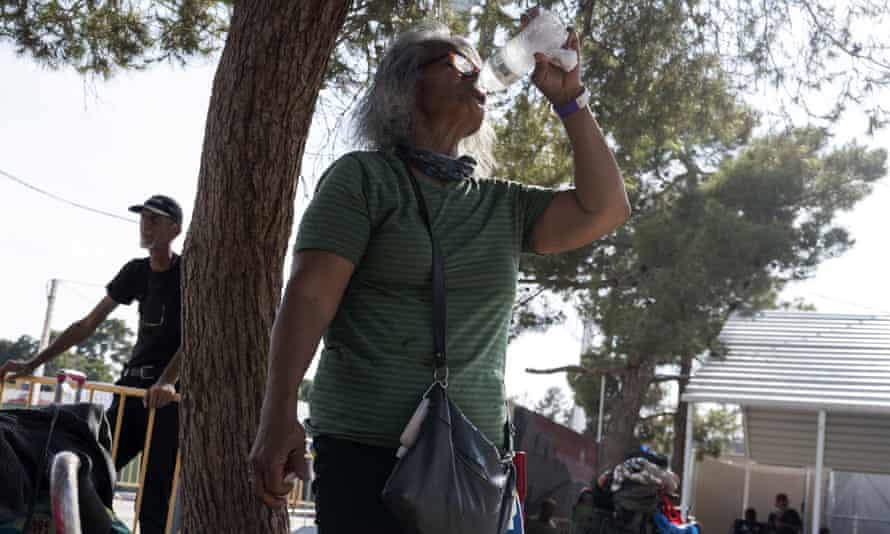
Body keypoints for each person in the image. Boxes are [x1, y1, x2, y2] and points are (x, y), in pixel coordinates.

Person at [248, 9, 629, 534]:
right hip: (366, 455)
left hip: (471, 466)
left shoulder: (504, 206)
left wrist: (570, 100)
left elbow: (606, 209)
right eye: (457, 63)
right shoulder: (363, 179)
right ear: (405, 85)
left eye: (480, 66)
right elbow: (310, 296)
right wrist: (278, 414)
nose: (478, 74)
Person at [0, 194, 185, 534]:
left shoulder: (188, 274)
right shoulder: (135, 271)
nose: (145, 225)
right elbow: (88, 324)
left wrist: (167, 381)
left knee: (155, 495)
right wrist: (33, 362)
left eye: (155, 220)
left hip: (166, 399)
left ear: (174, 229)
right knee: (95, 467)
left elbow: (198, 338)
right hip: (130, 390)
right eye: (143, 218)